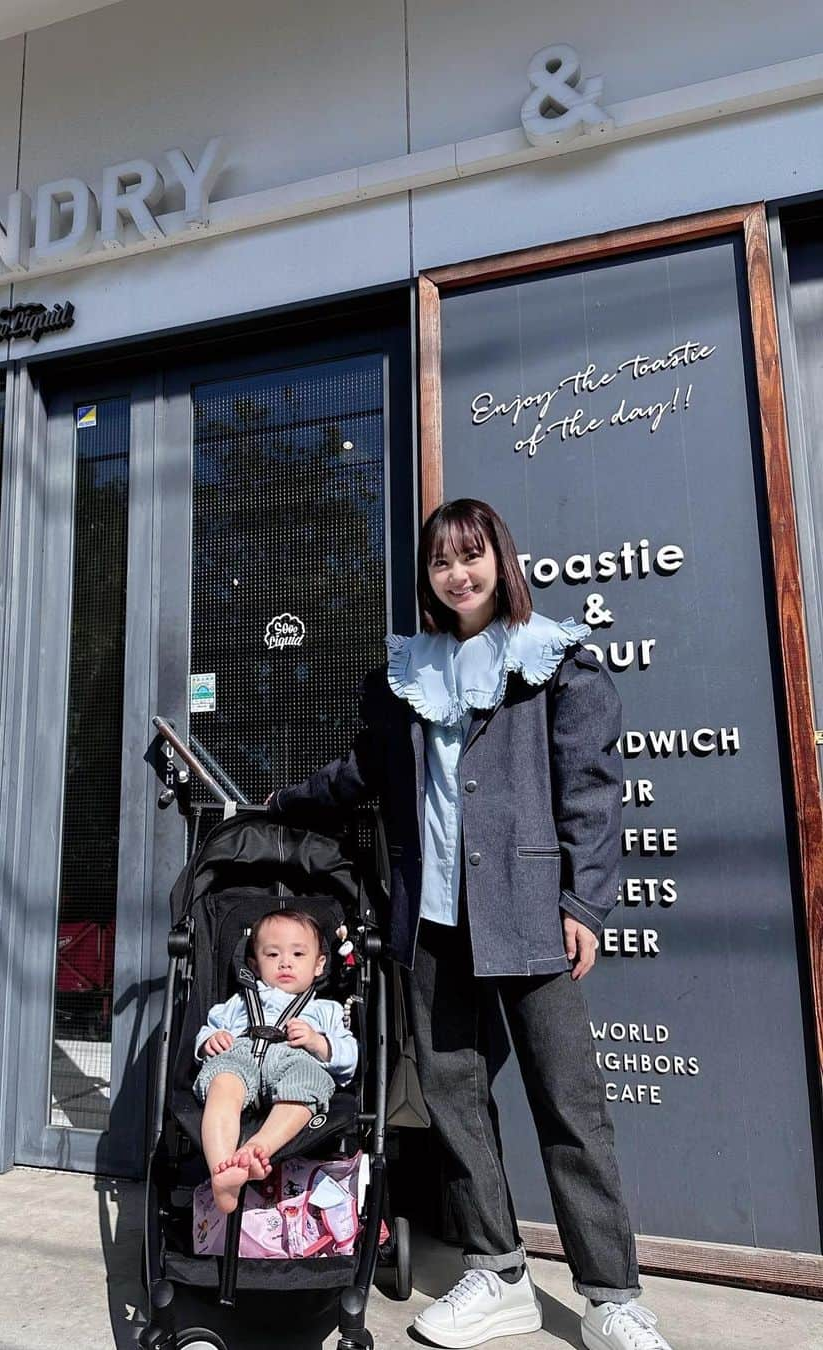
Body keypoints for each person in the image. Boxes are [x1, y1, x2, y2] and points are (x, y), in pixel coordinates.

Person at [267, 499, 673, 1350]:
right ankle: (497, 1271)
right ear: (428, 577)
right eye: (441, 562)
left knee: (569, 1104)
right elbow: (361, 773)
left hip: (531, 916)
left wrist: (583, 903)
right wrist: (277, 803)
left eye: (471, 555)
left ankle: (610, 1296)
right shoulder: (407, 674)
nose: (458, 574)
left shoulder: (554, 662)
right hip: (436, 923)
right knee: (456, 1103)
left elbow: (591, 794)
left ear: (501, 560)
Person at [194, 907, 359, 1216]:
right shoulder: (240, 1001)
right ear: (255, 965)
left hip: (295, 1061)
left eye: (298, 954)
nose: (285, 962)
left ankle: (257, 1149)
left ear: (319, 965)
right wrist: (208, 1042)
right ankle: (222, 1170)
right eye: (272, 955)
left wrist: (316, 1041)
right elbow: (211, 1028)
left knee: (307, 1086)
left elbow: (348, 1060)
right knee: (222, 1082)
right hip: (241, 1053)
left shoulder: (327, 1010)